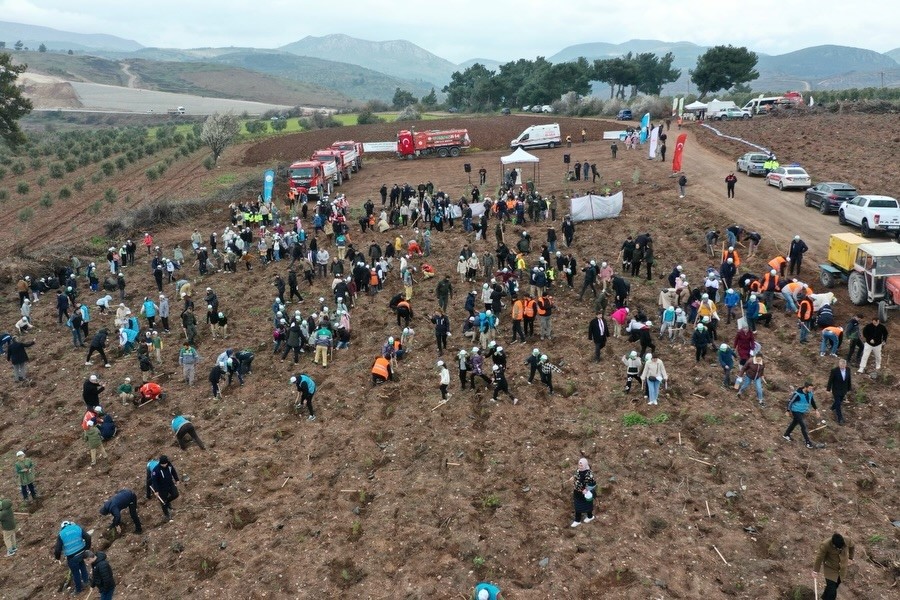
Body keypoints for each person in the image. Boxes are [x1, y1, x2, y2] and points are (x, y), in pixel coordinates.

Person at [54, 521, 92, 595]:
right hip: (82, 552)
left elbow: (57, 549)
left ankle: (78, 589)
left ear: (62, 527)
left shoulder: (61, 534)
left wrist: (57, 557)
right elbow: (88, 537)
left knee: (75, 573)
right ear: (70, 524)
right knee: (82, 566)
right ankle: (86, 581)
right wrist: (87, 548)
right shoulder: (77, 527)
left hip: (72, 557)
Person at [814, 533, 855, 600]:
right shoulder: (825, 545)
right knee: (832, 592)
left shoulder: (847, 540)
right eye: (838, 548)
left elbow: (852, 546)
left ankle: (824, 598)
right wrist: (815, 571)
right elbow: (819, 557)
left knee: (834, 586)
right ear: (833, 544)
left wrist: (851, 557)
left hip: (842, 569)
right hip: (830, 569)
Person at [783, 380, 823, 449]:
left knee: (794, 423)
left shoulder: (810, 393)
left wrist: (816, 410)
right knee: (803, 426)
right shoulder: (797, 394)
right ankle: (808, 443)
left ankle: (786, 434)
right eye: (810, 388)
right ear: (805, 387)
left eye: (811, 388)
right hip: (796, 411)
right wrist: (788, 411)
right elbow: (790, 402)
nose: (811, 390)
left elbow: (812, 401)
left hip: (802, 411)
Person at [149, 455, 180, 522]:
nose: (165, 465)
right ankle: (167, 515)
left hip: (170, 484)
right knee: (163, 502)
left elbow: (173, 471)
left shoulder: (169, 465)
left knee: (175, 494)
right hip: (161, 488)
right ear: (160, 463)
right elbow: (154, 481)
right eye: (163, 464)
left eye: (166, 463)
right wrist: (156, 491)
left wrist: (177, 479)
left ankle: (167, 502)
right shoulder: (156, 470)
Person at [570, 457, 596, 527]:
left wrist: (586, 489)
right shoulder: (578, 471)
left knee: (587, 506)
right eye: (579, 465)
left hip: (585, 494)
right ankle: (577, 520)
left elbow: (593, 484)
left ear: (585, 465)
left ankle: (590, 516)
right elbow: (576, 476)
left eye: (581, 465)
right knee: (577, 506)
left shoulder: (589, 474)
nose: (580, 466)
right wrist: (573, 477)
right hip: (577, 492)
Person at [826, 358, 852, 425]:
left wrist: (849, 388)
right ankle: (840, 418)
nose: (842, 366)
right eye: (841, 365)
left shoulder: (848, 370)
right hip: (836, 389)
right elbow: (830, 380)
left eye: (844, 365)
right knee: (838, 403)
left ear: (845, 365)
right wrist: (828, 389)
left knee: (839, 401)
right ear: (839, 364)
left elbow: (849, 379)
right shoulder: (834, 371)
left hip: (844, 389)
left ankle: (832, 408)